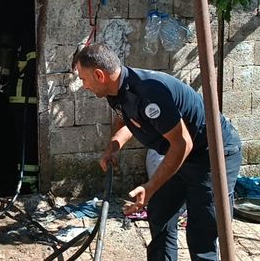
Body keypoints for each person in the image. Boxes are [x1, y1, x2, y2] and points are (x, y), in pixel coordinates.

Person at [72, 43, 242, 261]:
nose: (84, 86)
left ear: (99, 74)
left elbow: (182, 143)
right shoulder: (117, 90)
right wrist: (113, 147)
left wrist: (150, 187)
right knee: (161, 212)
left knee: (203, 231)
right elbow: (126, 118)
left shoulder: (148, 91)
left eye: (84, 79)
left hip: (212, 154)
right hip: (180, 154)